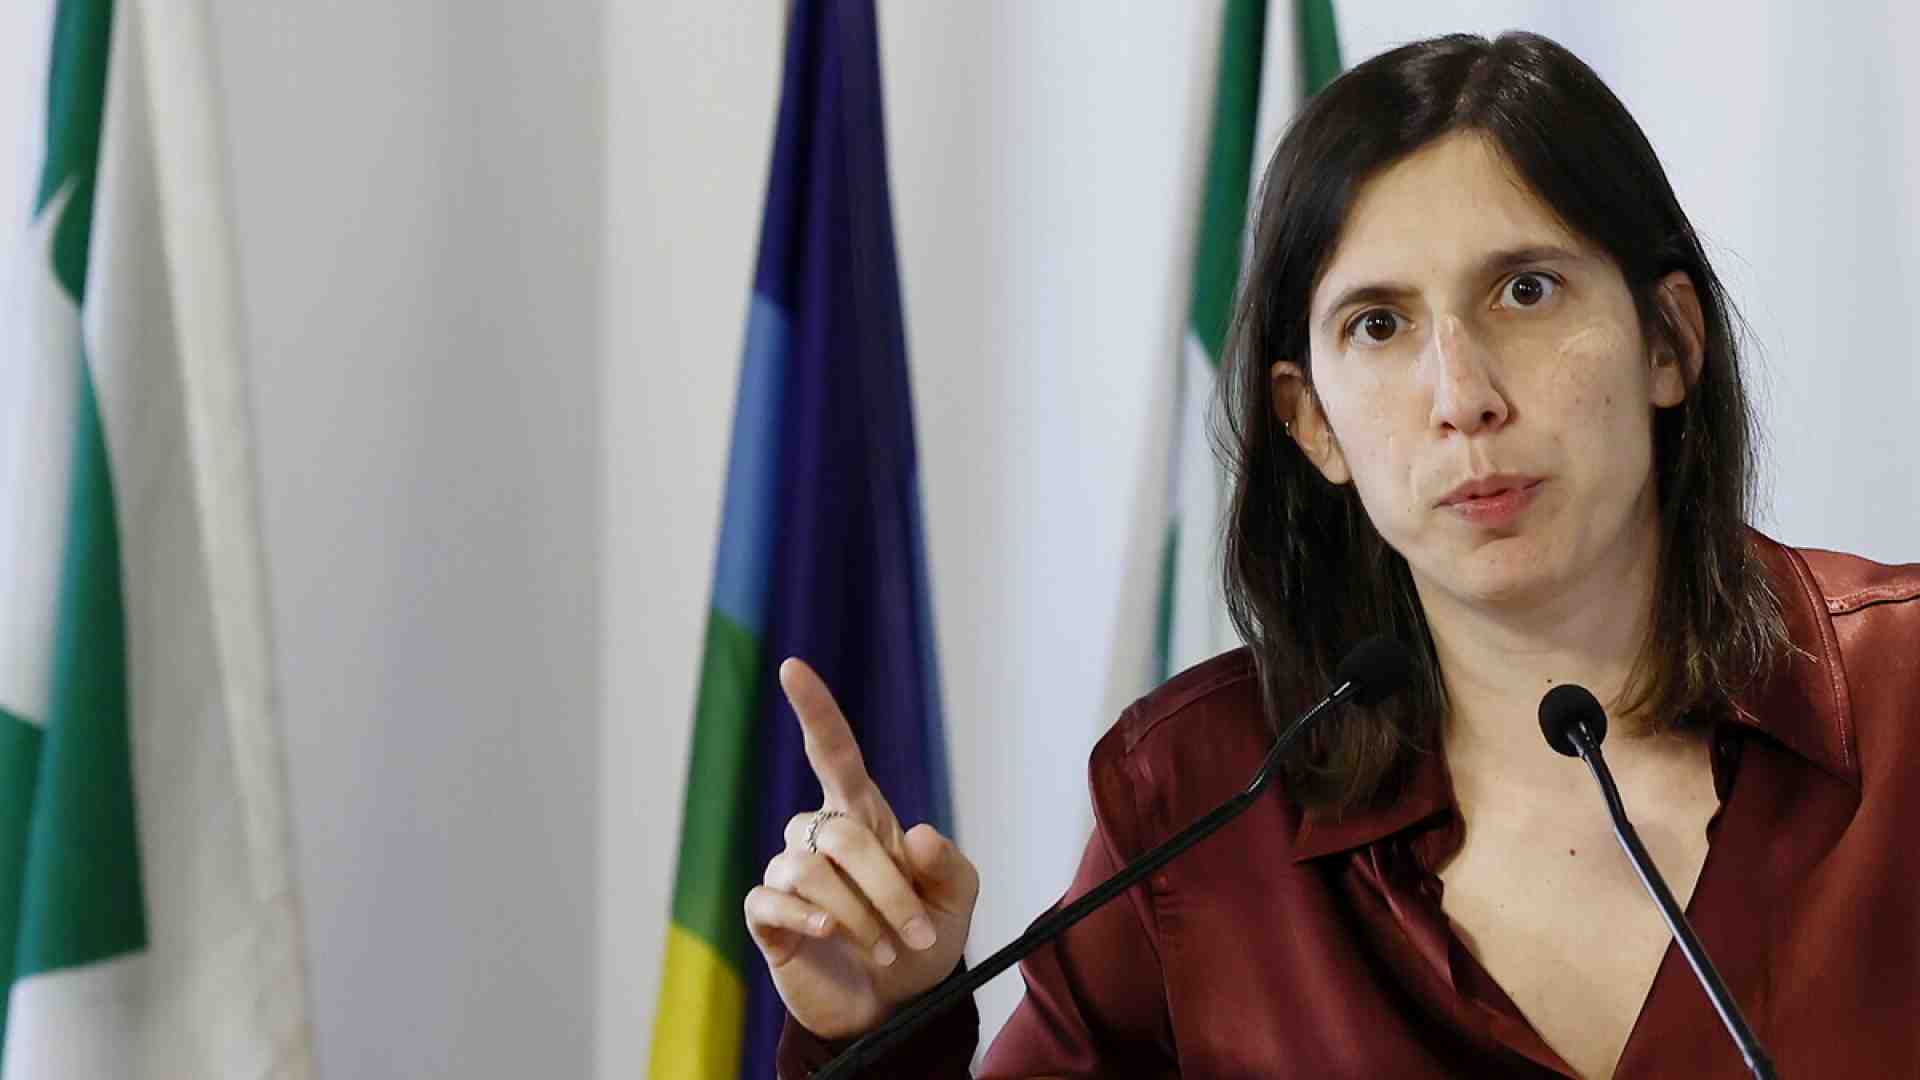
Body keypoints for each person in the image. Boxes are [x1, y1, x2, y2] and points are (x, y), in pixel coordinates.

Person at [745, 31, 1920, 1079]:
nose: (1461, 395)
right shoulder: (1197, 799)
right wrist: (882, 1032)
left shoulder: (1901, 695)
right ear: (1311, 423)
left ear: (1667, 342)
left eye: (1525, 290)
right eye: (1380, 324)